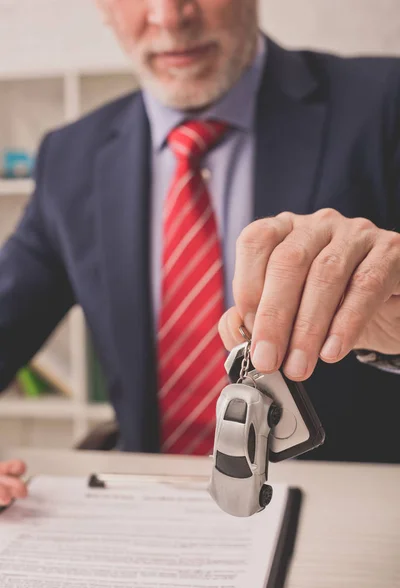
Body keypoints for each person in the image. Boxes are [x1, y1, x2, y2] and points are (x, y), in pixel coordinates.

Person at [1, 0, 400, 504]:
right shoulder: (69, 156)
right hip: (150, 508)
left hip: (345, 514)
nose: (169, 15)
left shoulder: (385, 102)